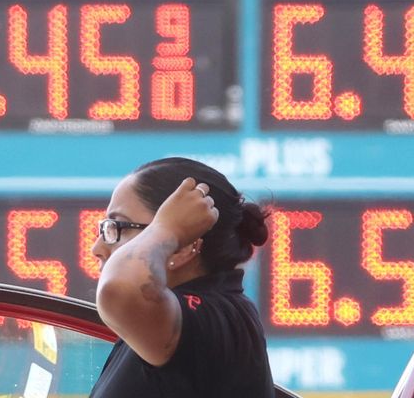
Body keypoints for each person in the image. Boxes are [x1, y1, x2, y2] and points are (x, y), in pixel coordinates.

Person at [88, 157, 275, 397]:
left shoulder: (214, 319)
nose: (98, 248)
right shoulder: (175, 318)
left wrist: (166, 229)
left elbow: (118, 291)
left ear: (183, 247)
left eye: (117, 227)